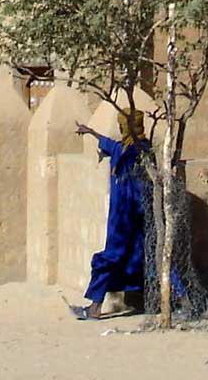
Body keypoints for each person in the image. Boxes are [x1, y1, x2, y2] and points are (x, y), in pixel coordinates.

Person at [72, 111, 149, 320]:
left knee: (113, 259)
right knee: (139, 259)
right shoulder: (122, 149)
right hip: (121, 218)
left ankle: (95, 307)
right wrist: (91, 132)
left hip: (130, 219)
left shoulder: (141, 152)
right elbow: (109, 144)